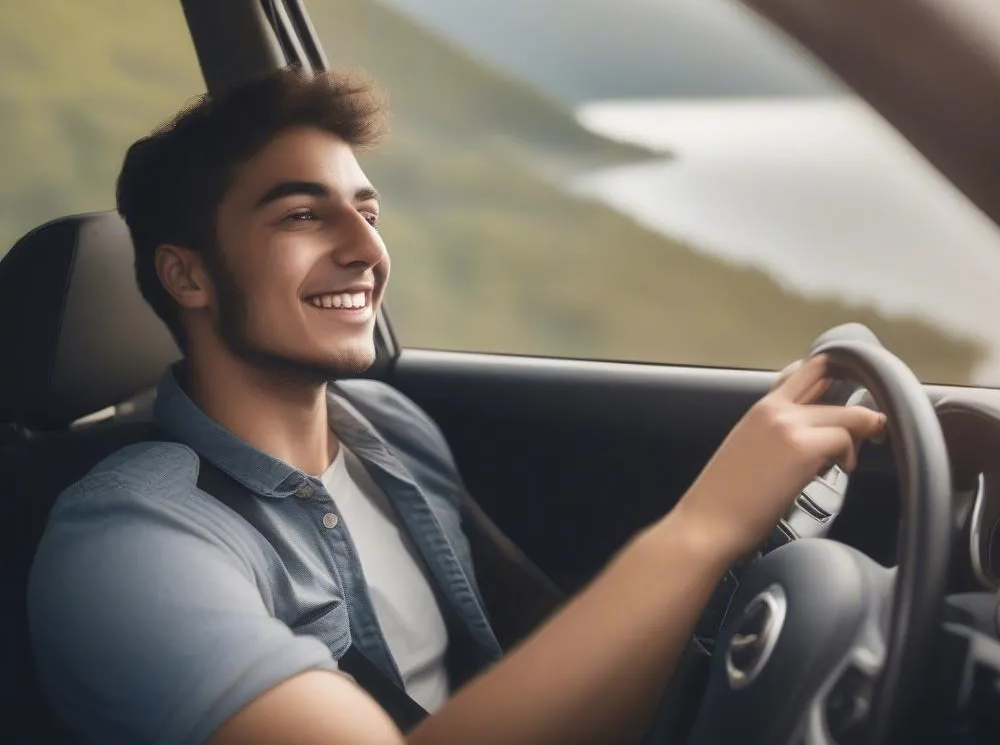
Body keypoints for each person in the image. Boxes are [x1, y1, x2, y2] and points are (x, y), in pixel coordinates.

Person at [27, 68, 887, 745]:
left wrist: (736, 561)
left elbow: (544, 645)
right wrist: (702, 528)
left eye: (367, 211)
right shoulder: (127, 547)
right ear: (187, 275)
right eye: (302, 215)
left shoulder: (388, 431)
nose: (366, 250)